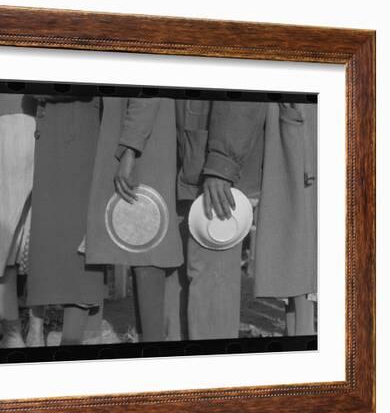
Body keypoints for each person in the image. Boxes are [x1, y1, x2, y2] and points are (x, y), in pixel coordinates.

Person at [200, 101, 317, 336]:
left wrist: (222, 164)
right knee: (299, 249)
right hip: (299, 133)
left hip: (304, 134)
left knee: (302, 244)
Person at [85, 97, 183, 342]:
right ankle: (147, 339)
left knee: (148, 243)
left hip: (140, 144)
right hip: (137, 138)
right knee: (141, 243)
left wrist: (130, 149)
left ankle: (152, 342)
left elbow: (147, 94)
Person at [166, 99, 265, 340]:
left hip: (212, 169)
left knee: (211, 283)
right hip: (189, 159)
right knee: (183, 277)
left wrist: (222, 165)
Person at [25, 95, 107, 346]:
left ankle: (70, 337)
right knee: (44, 230)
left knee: (81, 240)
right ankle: (36, 329)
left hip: (84, 129)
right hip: (50, 126)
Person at [0, 93, 36, 348]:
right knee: (26, 236)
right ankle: (33, 331)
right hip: (42, 125)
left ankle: (13, 334)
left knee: (0, 240)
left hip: (7, 125)